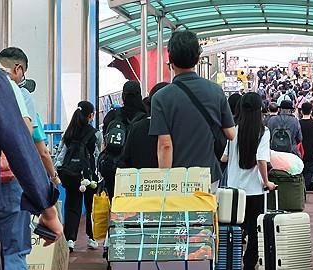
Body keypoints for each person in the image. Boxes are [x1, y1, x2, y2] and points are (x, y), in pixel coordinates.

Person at [0, 69, 63, 270]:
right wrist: (47, 209)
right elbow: (20, 142)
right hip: (7, 182)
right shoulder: (4, 84)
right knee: (15, 252)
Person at [149, 30, 235, 194]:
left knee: (179, 218)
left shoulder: (161, 98)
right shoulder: (216, 91)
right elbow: (231, 134)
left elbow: (165, 145)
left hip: (177, 179)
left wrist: (164, 182)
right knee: (205, 217)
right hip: (208, 175)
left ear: (171, 60)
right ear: (197, 58)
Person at [221, 92, 276, 270]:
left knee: (234, 230)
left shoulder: (233, 129)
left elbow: (224, 157)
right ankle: (248, 268)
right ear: (260, 108)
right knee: (254, 231)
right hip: (254, 190)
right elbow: (261, 160)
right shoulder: (263, 131)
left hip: (233, 190)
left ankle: (230, 266)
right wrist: (267, 182)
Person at [0, 47, 61, 186]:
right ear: (18, 69)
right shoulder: (21, 93)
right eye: (23, 74)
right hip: (11, 173)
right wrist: (54, 176)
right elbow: (35, 144)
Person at [55, 101, 102, 252]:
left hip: (71, 175)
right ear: (90, 115)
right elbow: (97, 154)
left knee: (72, 206)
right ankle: (92, 238)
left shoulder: (68, 133)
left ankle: (70, 240)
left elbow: (60, 155)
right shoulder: (95, 133)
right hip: (89, 176)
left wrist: (58, 171)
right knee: (91, 207)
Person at [100, 81, 147, 198]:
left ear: (123, 96)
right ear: (139, 95)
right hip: (136, 169)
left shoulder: (111, 116)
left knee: (114, 201)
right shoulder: (145, 116)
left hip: (113, 167)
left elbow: (105, 141)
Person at [119, 82, 168, 169]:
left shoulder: (137, 127)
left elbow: (126, 161)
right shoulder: (179, 129)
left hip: (140, 180)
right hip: (173, 180)